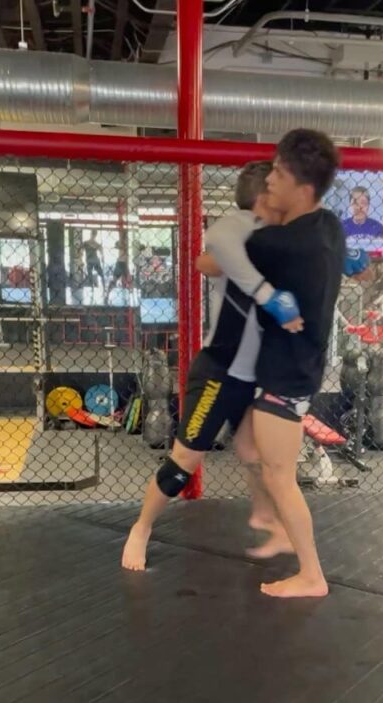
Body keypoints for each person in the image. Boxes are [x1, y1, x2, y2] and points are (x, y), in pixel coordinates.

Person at [121, 161, 302, 572]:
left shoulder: (275, 239)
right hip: (218, 374)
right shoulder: (240, 229)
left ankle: (265, 518)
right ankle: (141, 528)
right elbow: (210, 258)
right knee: (184, 463)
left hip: (252, 378)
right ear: (264, 197)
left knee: (254, 454)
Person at [242, 128, 345, 598]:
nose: (269, 182)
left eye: (278, 175)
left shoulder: (279, 245)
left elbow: (219, 258)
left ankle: (311, 575)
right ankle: (275, 525)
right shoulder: (329, 225)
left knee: (280, 476)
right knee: (251, 450)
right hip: (298, 365)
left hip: (287, 375)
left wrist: (258, 217)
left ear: (302, 188)